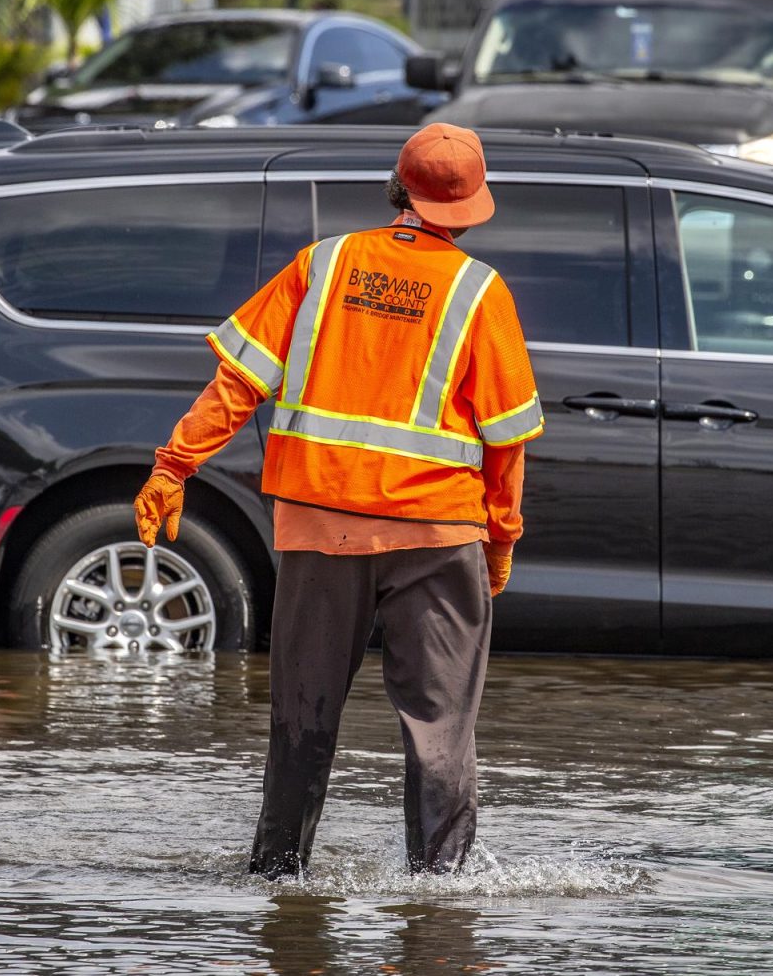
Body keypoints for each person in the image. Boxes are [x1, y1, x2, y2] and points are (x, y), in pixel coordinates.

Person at [132, 123, 543, 878]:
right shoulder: (480, 291)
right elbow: (506, 441)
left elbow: (237, 385)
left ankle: (277, 886)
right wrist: (500, 540)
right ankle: (438, 907)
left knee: (302, 722)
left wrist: (173, 465)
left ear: (399, 188)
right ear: (468, 208)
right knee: (440, 731)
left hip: (319, 532)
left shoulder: (321, 265)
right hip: (435, 535)